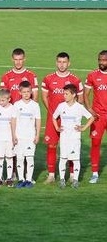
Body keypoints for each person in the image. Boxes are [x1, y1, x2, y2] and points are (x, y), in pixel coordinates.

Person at [40, 52, 83, 184]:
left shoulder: (75, 80)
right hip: (53, 119)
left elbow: (80, 100)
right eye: (59, 62)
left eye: (64, 62)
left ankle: (71, 175)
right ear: (56, 62)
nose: (62, 64)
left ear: (68, 63)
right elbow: (44, 97)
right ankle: (52, 175)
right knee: (52, 146)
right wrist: (54, 113)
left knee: (70, 146)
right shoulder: (48, 79)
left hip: (70, 120)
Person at [52, 84, 94, 188]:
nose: (64, 96)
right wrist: (57, 127)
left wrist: (83, 128)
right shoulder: (61, 106)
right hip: (64, 138)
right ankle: (62, 180)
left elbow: (92, 117)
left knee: (75, 159)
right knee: (63, 158)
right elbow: (53, 117)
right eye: (64, 93)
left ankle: (75, 180)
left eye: (66, 94)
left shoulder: (79, 107)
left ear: (73, 94)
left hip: (75, 138)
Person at [84, 50, 107, 183]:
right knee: (96, 143)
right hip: (98, 116)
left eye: (104, 60)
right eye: (100, 60)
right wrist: (90, 110)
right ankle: (94, 173)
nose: (101, 62)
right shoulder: (92, 75)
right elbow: (86, 94)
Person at [13, 81, 41, 188]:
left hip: (30, 136)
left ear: (31, 92)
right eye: (24, 92)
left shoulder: (35, 105)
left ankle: (29, 179)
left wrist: (37, 135)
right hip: (19, 136)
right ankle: (21, 179)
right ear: (20, 92)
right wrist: (14, 135)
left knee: (29, 158)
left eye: (28, 91)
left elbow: (38, 120)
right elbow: (14, 120)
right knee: (20, 158)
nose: (26, 94)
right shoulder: (17, 105)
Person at [0, 88, 17, 186]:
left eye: (3, 100)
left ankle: (9, 178)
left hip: (9, 137)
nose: (1, 102)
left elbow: (13, 123)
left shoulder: (13, 108)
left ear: (9, 99)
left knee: (9, 157)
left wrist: (14, 136)